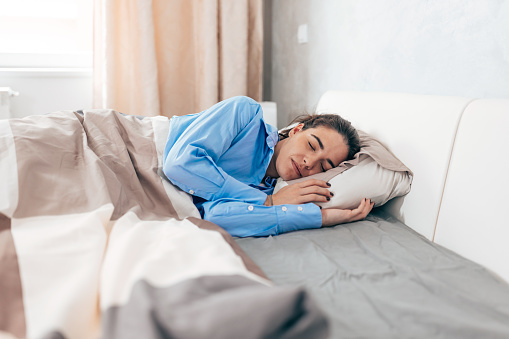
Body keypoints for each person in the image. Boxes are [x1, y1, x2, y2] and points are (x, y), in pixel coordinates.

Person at [163, 96, 374, 237]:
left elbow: (214, 217)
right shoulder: (246, 114)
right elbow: (179, 164)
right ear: (296, 130)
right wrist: (266, 201)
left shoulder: (271, 190)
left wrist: (322, 217)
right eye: (311, 145)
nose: (309, 163)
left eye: (323, 165)